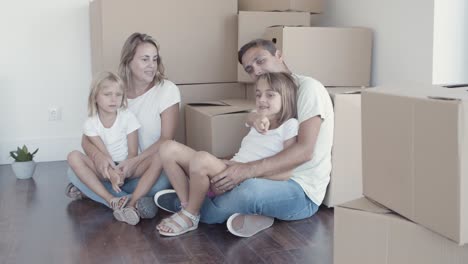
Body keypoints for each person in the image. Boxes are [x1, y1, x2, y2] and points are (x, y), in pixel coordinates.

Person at [155, 39, 334, 237]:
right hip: (257, 172)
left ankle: (189, 208)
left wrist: (244, 171)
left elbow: (304, 151)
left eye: (260, 61)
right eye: (250, 68)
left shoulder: (308, 89)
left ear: (279, 55)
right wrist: (228, 163)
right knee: (178, 153)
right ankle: (199, 203)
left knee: (249, 191)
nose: (256, 70)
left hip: (299, 188)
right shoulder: (267, 100)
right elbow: (256, 144)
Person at [156, 72, 299, 236]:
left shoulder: (289, 125)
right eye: (258, 94)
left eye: (270, 95)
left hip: (243, 177)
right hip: (227, 169)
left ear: (286, 98)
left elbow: (287, 172)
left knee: (202, 158)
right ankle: (186, 205)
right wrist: (257, 118)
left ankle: (190, 216)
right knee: (167, 148)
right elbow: (251, 116)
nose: (261, 99)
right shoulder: (259, 118)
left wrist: (245, 170)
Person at [67, 33, 180, 225]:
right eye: (145, 59)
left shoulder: (166, 89)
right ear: (129, 61)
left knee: (162, 179)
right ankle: (133, 203)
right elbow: (87, 138)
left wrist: (133, 162)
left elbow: (166, 139)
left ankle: (113, 198)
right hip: (113, 169)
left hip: (145, 168)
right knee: (72, 170)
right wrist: (99, 158)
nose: (152, 65)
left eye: (155, 59)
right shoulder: (116, 91)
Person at [67, 71, 141, 212]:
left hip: (127, 166)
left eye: (118, 95)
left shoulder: (128, 117)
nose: (113, 99)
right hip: (104, 167)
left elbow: (133, 152)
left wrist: (121, 172)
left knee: (155, 162)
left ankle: (128, 199)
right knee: (73, 156)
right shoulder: (90, 123)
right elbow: (104, 155)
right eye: (107, 94)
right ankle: (111, 199)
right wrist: (111, 173)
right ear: (95, 97)